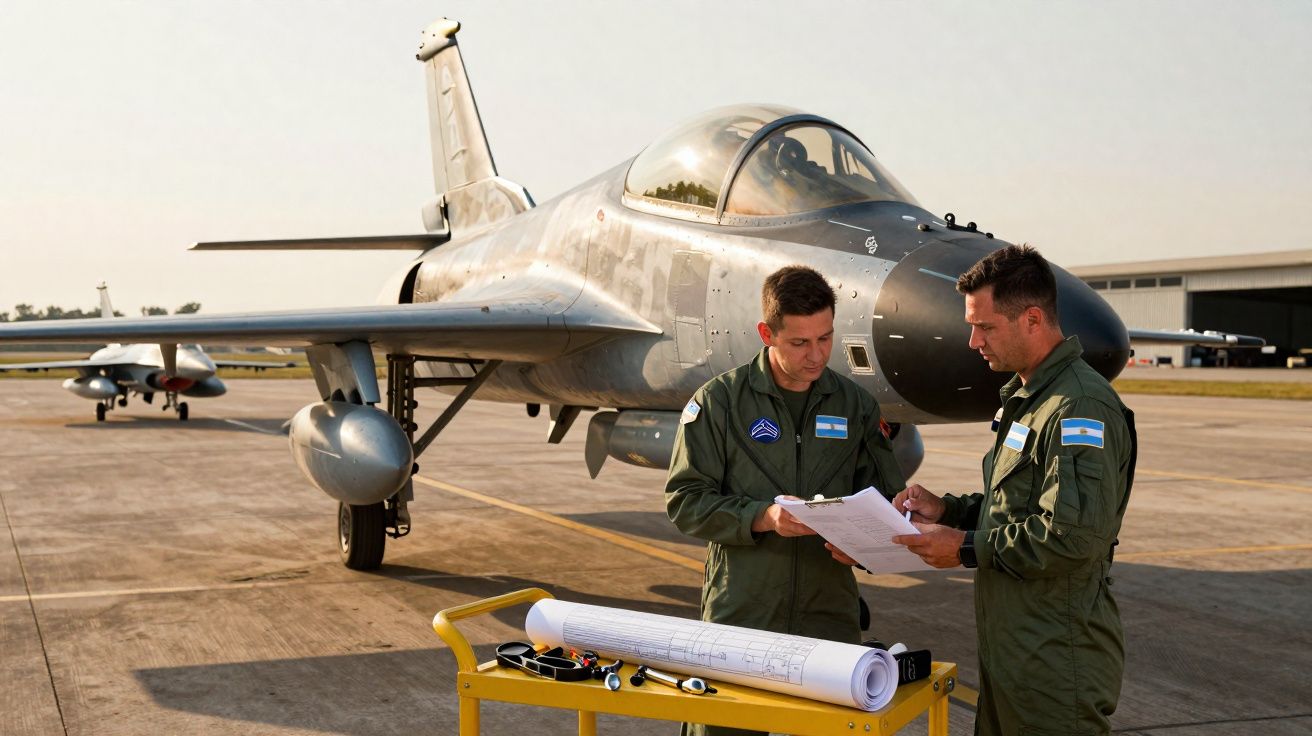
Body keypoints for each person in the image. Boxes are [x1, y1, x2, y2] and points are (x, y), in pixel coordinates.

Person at [885, 244, 1134, 735]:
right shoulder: (1031, 398)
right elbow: (1017, 506)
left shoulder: (1079, 407)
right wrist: (948, 511)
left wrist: (964, 548)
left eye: (986, 327)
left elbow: (1072, 536)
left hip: (1055, 660)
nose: (973, 341)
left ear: (1033, 319)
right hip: (1015, 653)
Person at [666, 264, 906, 736]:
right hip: (743, 610)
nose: (816, 355)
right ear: (766, 334)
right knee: (726, 729)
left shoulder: (855, 406)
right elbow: (685, 501)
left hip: (829, 613)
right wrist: (764, 516)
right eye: (800, 342)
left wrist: (875, 535)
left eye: (825, 338)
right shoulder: (720, 402)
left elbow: (883, 500)